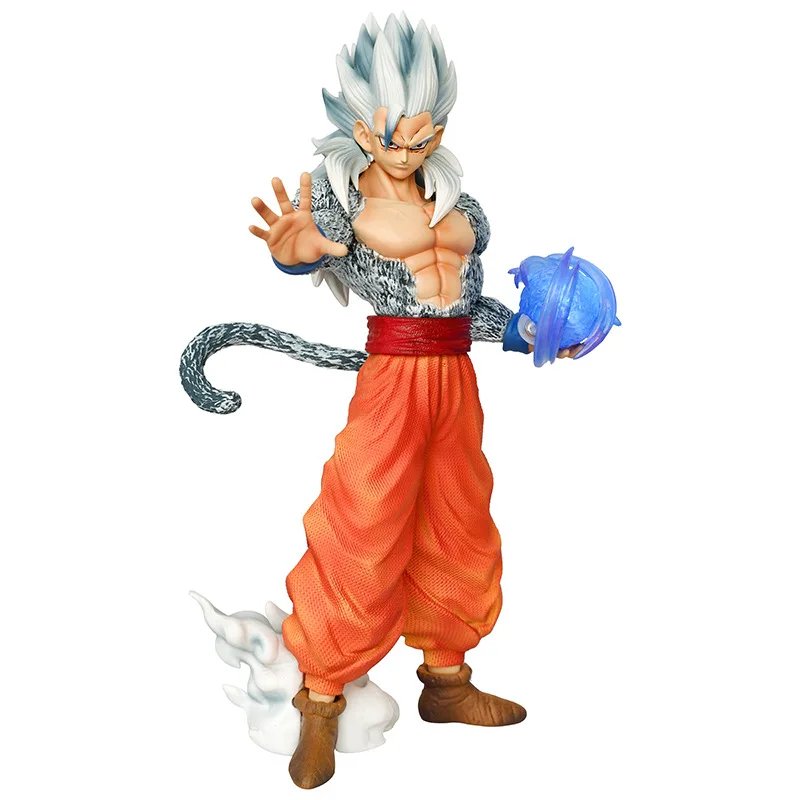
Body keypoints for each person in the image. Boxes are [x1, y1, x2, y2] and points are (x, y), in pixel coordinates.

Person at [242, 14, 578, 790]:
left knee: (458, 519)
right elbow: (311, 253)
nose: (408, 149)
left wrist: (531, 333)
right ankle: (319, 697)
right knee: (362, 522)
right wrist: (296, 255)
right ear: (361, 127)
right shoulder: (338, 203)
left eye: (425, 133)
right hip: (392, 379)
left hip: (455, 378)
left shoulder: (462, 208)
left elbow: (466, 308)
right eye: (392, 135)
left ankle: (446, 681)